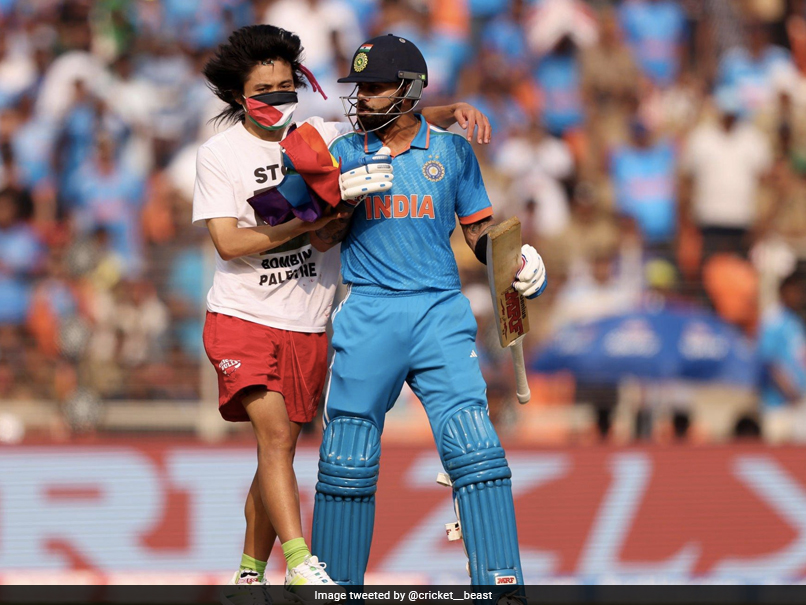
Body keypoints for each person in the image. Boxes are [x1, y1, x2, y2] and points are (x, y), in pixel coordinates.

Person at [192, 24, 492, 597]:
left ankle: (249, 573)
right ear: (238, 96)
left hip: (308, 320)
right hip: (243, 315)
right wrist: (312, 220)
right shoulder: (220, 154)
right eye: (263, 91)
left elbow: (395, 117)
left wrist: (453, 111)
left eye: (286, 87)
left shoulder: (323, 136)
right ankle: (300, 561)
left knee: (276, 451)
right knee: (275, 439)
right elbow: (228, 243)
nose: (278, 99)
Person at [309, 34, 547, 586]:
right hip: (369, 308)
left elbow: (479, 235)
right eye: (359, 87)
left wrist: (516, 260)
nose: (361, 98)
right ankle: (334, 590)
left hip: (440, 310)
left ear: (408, 91)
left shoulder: (452, 153)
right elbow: (320, 239)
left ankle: (501, 585)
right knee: (347, 456)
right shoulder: (343, 152)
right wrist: (343, 204)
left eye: (373, 87)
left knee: (476, 448)